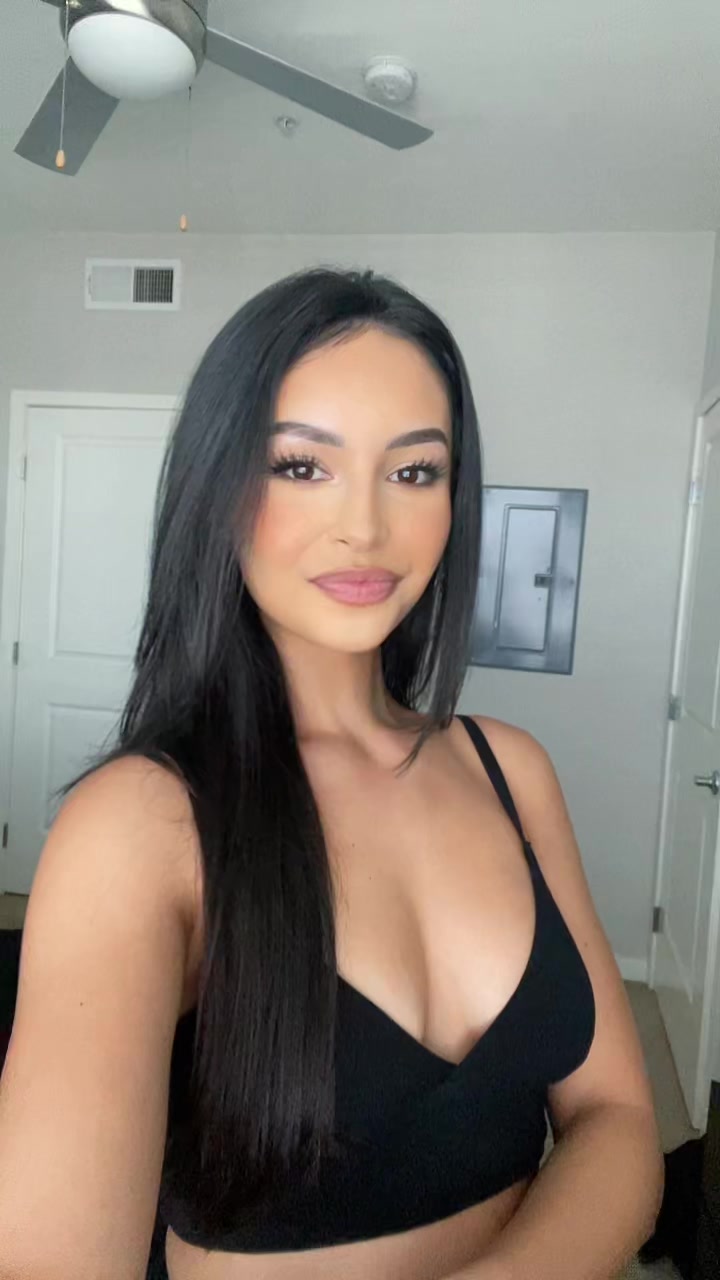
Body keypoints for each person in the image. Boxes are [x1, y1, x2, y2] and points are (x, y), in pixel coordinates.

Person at [0, 268, 663, 1280]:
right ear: (219, 488)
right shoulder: (142, 824)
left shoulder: (510, 769)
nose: (366, 526)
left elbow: (615, 1116)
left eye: (415, 471)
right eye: (302, 466)